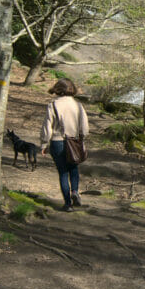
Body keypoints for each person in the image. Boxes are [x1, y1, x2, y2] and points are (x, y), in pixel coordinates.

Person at [39, 78, 89, 212]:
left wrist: (44, 143)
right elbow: (84, 127)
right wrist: (82, 139)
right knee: (73, 168)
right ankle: (75, 191)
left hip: (58, 142)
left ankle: (68, 204)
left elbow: (47, 126)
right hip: (74, 141)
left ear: (58, 89)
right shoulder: (78, 105)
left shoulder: (53, 105)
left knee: (63, 172)